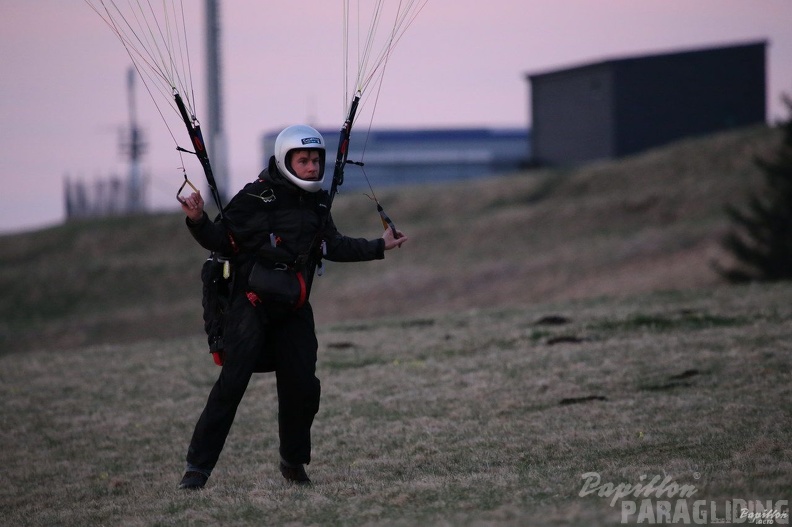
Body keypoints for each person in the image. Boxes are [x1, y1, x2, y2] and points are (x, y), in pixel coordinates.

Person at [177, 124, 407, 489]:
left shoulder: (316, 204)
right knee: (232, 385)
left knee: (303, 387)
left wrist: (380, 246)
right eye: (304, 160)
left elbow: (332, 246)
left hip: (293, 306)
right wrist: (197, 219)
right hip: (249, 305)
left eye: (316, 159)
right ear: (286, 161)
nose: (313, 167)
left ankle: (293, 463)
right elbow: (221, 239)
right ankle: (197, 469)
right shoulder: (254, 197)